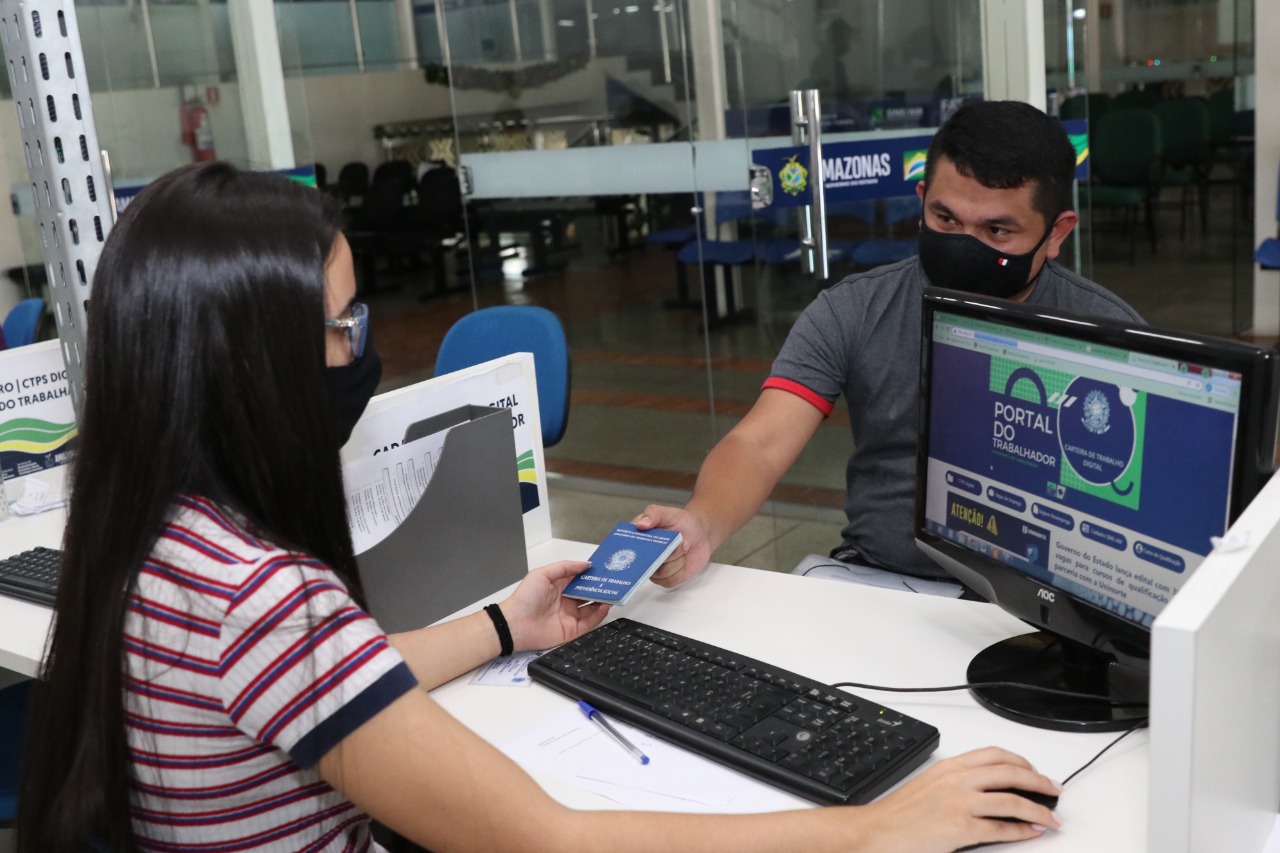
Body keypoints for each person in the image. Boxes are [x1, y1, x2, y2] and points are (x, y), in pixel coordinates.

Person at [16, 162, 1062, 852]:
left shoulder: (153, 533)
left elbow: (321, 679)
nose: (361, 348)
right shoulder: (267, 599)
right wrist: (877, 825)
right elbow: (551, 837)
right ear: (247, 366)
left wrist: (503, 626)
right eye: (342, 325)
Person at [635, 100, 1143, 594]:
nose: (965, 243)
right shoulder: (854, 309)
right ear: (922, 198)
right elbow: (760, 443)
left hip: (1042, 604)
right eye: (945, 219)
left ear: (1056, 234)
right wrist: (703, 520)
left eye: (997, 230)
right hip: (882, 581)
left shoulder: (1111, 336)